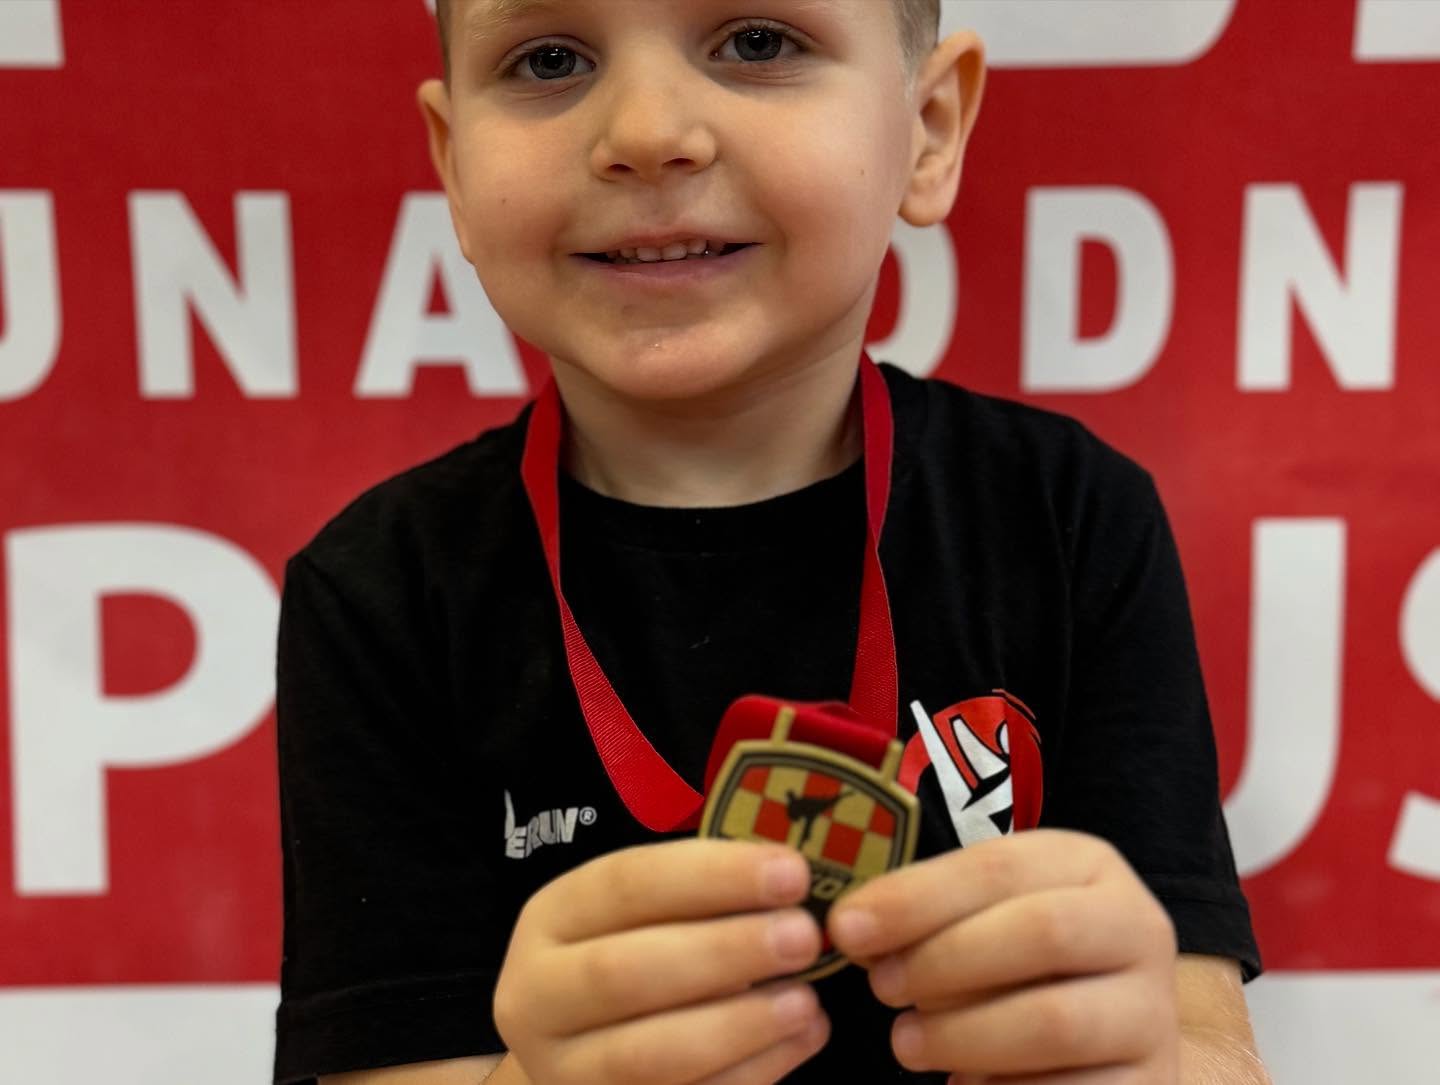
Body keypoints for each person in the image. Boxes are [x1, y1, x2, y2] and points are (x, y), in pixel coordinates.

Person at [272, 1, 1269, 1082]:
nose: (648, 131)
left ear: (929, 128)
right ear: (456, 167)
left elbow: (1210, 1041)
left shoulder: (1073, 517)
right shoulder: (378, 593)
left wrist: (1145, 1063)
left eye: (758, 42)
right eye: (549, 59)